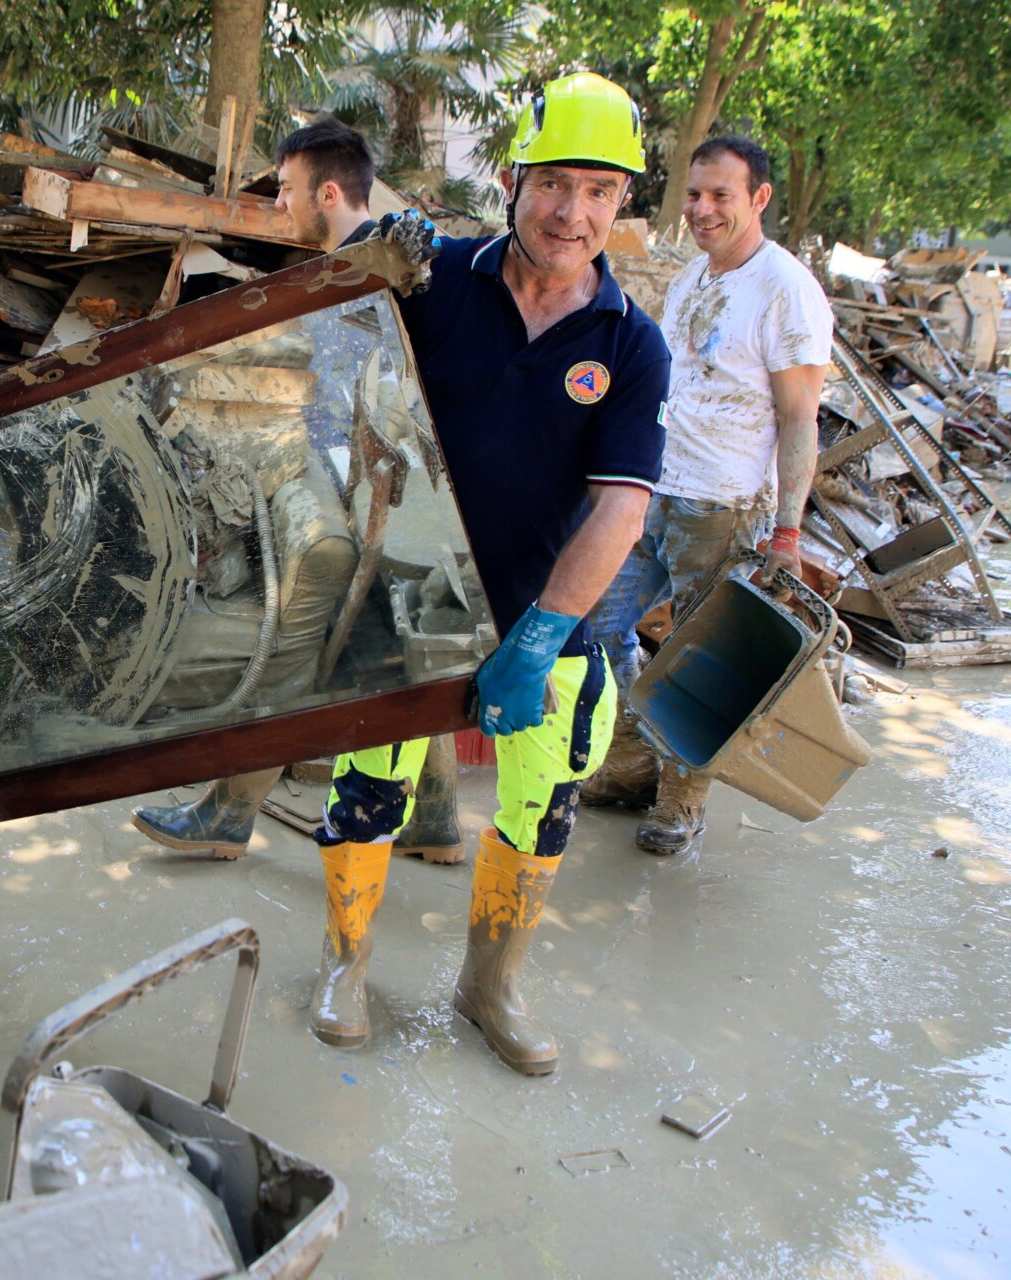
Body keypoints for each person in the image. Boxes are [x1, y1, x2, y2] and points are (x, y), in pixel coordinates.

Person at [298, 74, 668, 1077]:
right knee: (366, 789)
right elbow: (332, 386)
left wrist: (541, 634)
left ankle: (489, 984)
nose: (573, 212)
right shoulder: (439, 280)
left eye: (599, 190)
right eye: (554, 183)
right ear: (511, 180)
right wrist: (357, 272)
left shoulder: (631, 346)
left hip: (551, 620)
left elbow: (622, 507)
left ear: (621, 203)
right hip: (409, 595)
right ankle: (345, 961)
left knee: (541, 806)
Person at [131, 118, 466, 866]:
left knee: (295, 641)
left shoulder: (383, 266)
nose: (279, 206)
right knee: (401, 655)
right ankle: (438, 816)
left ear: (329, 191)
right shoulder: (355, 264)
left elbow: (384, 393)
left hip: (378, 494)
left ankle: (227, 812)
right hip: (392, 498)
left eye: (285, 191)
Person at [580, 135, 832, 857]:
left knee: (698, 661)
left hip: (722, 505)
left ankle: (679, 801)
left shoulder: (785, 289)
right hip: (656, 491)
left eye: (722, 195)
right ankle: (630, 765)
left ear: (758, 199)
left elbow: (798, 418)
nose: (703, 208)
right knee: (597, 624)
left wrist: (786, 532)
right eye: (695, 194)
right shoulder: (693, 278)